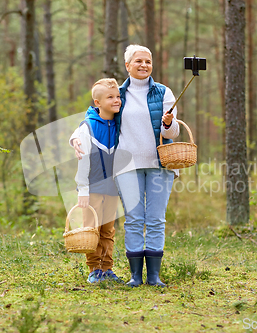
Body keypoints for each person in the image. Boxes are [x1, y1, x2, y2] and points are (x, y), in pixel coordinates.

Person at [72, 45, 179, 287]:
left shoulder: (164, 92)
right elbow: (94, 119)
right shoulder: (117, 94)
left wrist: (169, 123)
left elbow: (173, 131)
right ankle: (135, 276)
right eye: (138, 61)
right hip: (126, 167)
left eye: (148, 61)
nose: (144, 65)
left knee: (155, 219)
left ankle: (153, 276)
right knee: (133, 218)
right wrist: (75, 138)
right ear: (127, 65)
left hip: (159, 164)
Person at [75, 78, 122, 283]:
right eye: (110, 97)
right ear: (97, 103)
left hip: (113, 187)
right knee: (92, 229)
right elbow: (83, 160)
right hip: (93, 187)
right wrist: (82, 190)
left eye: (118, 96)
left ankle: (107, 268)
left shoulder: (120, 123)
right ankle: (94, 269)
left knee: (108, 230)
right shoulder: (88, 127)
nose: (117, 100)